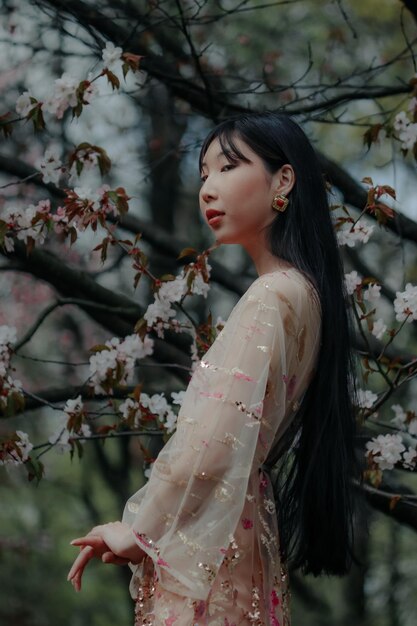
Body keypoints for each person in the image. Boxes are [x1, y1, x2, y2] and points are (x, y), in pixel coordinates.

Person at [68, 112, 357, 625]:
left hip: (214, 546)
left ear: (283, 180)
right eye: (203, 174)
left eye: (227, 167)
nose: (208, 189)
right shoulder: (307, 294)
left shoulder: (272, 296)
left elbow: (215, 440)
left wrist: (139, 530)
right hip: (241, 534)